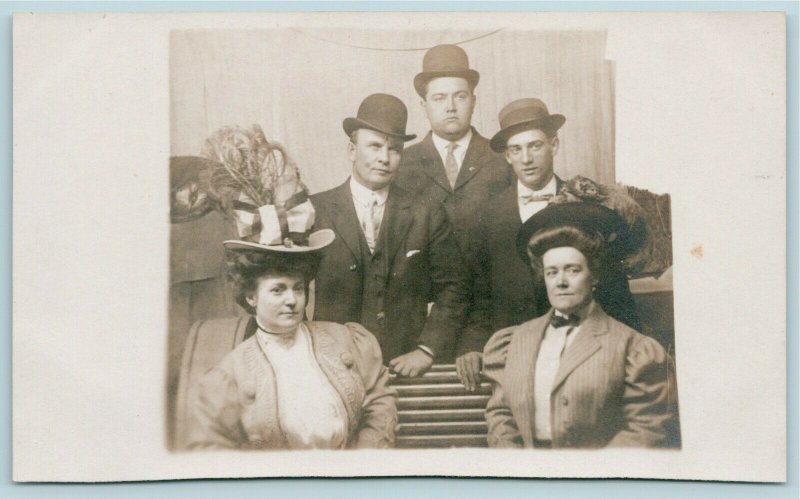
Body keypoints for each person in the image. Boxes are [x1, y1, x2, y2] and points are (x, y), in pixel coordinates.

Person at [482, 202, 680, 449]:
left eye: (572, 270)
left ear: (594, 276)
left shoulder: (633, 348)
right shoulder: (513, 342)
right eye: (551, 273)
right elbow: (502, 414)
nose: (561, 282)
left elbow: (646, 428)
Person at [185, 228, 397, 450]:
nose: (292, 300)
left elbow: (380, 402)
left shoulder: (345, 339)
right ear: (251, 297)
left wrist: (364, 460)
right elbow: (211, 446)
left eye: (298, 289)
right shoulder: (231, 373)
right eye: (278, 290)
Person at [311, 93, 471, 379]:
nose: (384, 158)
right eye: (374, 146)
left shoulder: (427, 212)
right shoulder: (316, 211)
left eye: (395, 149)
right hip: (332, 369)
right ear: (352, 150)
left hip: (404, 370)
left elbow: (455, 287)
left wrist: (427, 350)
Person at [469, 98, 642, 340]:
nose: (526, 159)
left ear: (554, 145)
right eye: (516, 150)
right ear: (507, 156)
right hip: (513, 344)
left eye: (535, 146)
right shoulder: (486, 214)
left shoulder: (586, 207)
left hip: (581, 344)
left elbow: (615, 292)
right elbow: (478, 293)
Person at [395, 44, 513, 386]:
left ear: (474, 101)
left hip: (493, 324)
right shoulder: (402, 165)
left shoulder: (502, 160)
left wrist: (480, 340)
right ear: (424, 105)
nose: (450, 106)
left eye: (460, 96)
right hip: (418, 335)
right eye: (439, 98)